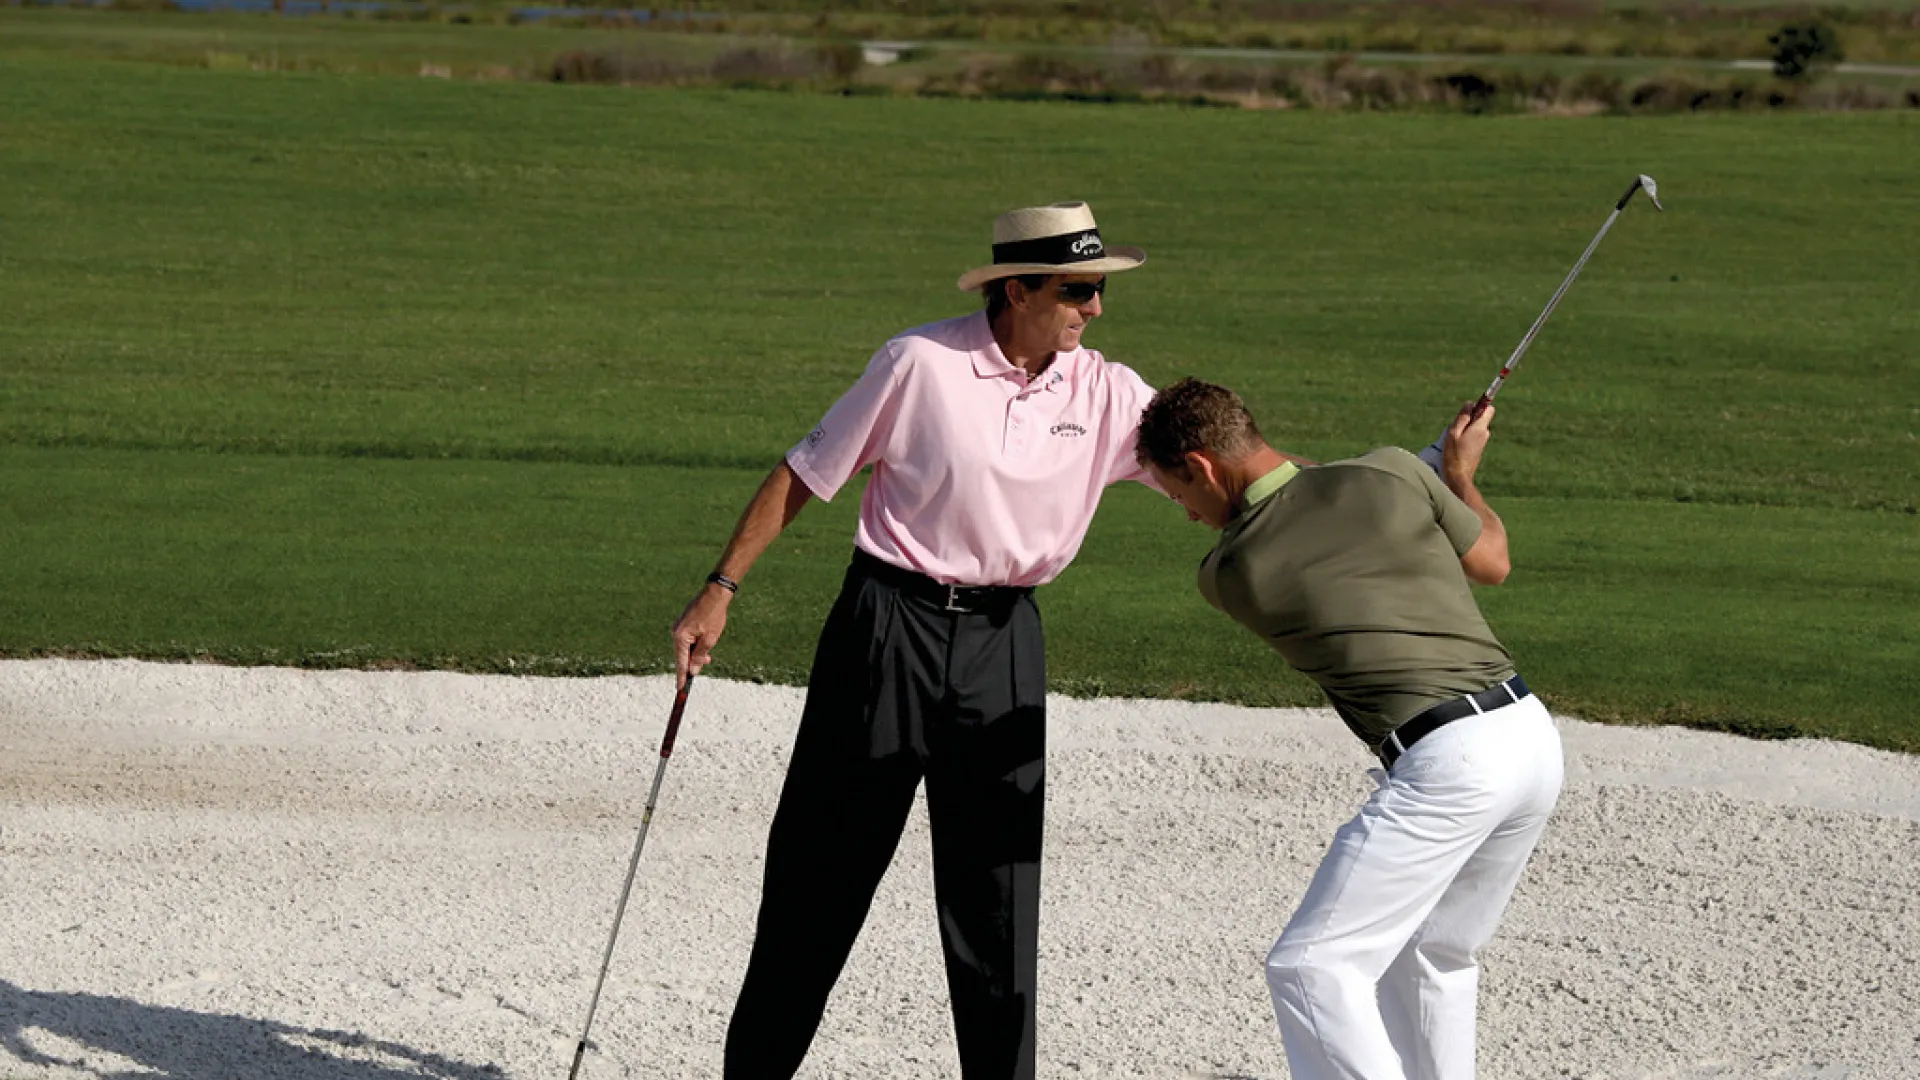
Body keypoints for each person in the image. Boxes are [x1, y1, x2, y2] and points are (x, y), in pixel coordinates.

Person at [670, 202, 1162, 1080]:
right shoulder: (919, 363)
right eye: (1078, 290)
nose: (1095, 309)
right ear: (1019, 289)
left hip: (1006, 643)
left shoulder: (1109, 391)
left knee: (997, 902)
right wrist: (721, 587)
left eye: (1097, 290)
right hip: (885, 629)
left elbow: (1220, 458)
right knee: (819, 879)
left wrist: (1376, 485)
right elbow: (806, 471)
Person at [1132, 378, 1564, 1080]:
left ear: (1203, 466)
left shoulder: (1233, 571)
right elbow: (1491, 560)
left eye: (1179, 495)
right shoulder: (1393, 471)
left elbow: (1303, 494)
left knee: (1310, 966)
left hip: (1451, 766)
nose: (1187, 516)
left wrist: (1420, 471)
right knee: (1432, 955)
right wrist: (1453, 475)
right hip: (1530, 738)